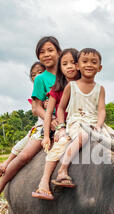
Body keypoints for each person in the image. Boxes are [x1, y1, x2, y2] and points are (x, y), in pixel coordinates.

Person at [0, 36, 61, 203]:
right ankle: (0, 186)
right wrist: (52, 120)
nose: (46, 55)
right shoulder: (41, 79)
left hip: (69, 122)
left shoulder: (67, 74)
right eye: (42, 52)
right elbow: (36, 107)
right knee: (26, 155)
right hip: (47, 124)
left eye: (50, 50)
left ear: (59, 52)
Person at [32, 47, 109, 197]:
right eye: (85, 61)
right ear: (79, 66)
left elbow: (101, 110)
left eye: (94, 62)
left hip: (95, 124)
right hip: (76, 123)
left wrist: (99, 125)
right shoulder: (70, 86)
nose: (89, 65)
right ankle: (62, 170)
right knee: (81, 137)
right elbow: (60, 109)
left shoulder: (100, 89)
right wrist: (61, 127)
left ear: (99, 68)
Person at [31, 48, 81, 200]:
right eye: (65, 63)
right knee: (60, 144)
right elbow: (54, 111)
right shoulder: (60, 88)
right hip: (67, 126)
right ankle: (45, 181)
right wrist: (51, 133)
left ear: (79, 65)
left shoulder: (87, 84)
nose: (70, 66)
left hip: (86, 124)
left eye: (73, 62)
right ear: (60, 67)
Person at [0, 61, 46, 178]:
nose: (37, 76)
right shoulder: (36, 93)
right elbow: (34, 110)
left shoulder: (52, 86)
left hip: (55, 124)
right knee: (22, 145)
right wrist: (42, 104)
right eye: (33, 74)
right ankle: (5, 164)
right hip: (40, 126)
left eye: (40, 72)